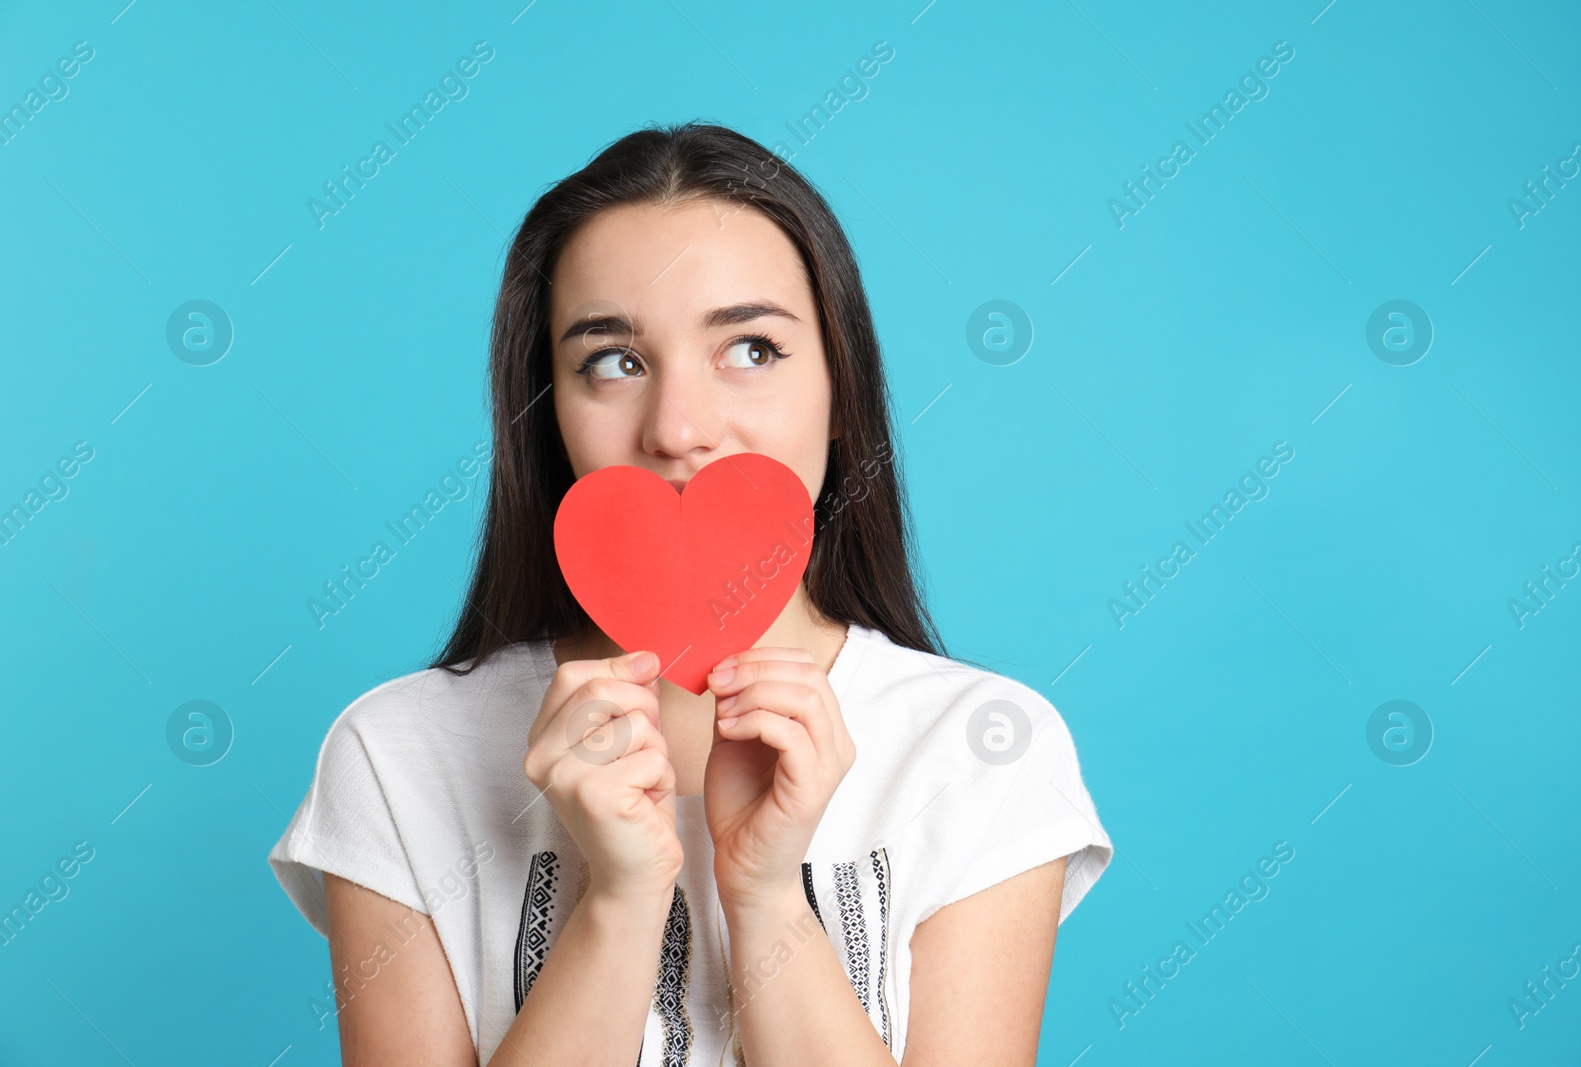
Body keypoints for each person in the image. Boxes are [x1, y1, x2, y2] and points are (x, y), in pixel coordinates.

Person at [268, 121, 1113, 1066]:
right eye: (614, 361)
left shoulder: (982, 749)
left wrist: (761, 892)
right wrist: (622, 903)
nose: (678, 428)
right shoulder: (399, 755)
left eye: (750, 349)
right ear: (549, 416)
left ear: (843, 396)